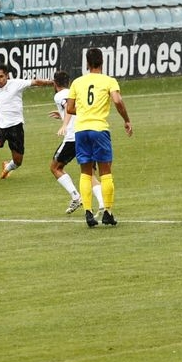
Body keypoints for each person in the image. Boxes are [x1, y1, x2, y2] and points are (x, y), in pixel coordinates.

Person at [66, 48, 132, 228]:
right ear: (102, 62)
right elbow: (117, 101)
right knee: (105, 171)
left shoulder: (77, 82)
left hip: (81, 131)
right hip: (99, 129)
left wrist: (86, 110)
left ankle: (88, 213)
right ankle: (108, 213)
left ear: (87, 64)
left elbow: (69, 109)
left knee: (86, 172)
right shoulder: (109, 81)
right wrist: (126, 120)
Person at [49, 70, 104, 215]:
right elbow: (75, 108)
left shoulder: (59, 95)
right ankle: (102, 203)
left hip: (73, 138)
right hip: (87, 133)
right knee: (89, 173)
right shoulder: (76, 91)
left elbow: (68, 106)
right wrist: (60, 114)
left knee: (55, 168)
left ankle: (76, 196)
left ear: (55, 83)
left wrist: (64, 124)